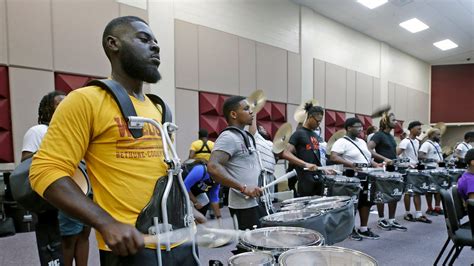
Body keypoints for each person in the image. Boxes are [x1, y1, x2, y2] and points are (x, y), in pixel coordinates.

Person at [30, 16, 197, 265]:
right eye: (144, 39)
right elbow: (44, 170)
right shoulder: (85, 100)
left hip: (183, 240)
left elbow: (162, 175)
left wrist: (186, 209)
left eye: (156, 41)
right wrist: (105, 222)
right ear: (113, 44)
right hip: (132, 247)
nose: (155, 46)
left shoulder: (160, 109)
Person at [22, 91, 90, 266]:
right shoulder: (38, 131)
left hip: (83, 191)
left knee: (83, 235)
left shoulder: (74, 131)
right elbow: (26, 164)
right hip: (61, 193)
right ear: (47, 109)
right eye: (59, 104)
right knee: (66, 241)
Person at [207, 96, 263, 231]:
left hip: (254, 202)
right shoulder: (228, 137)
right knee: (250, 247)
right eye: (246, 109)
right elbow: (213, 167)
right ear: (233, 114)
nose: (251, 112)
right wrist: (243, 188)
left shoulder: (244, 136)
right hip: (243, 206)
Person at [330, 117, 380, 241]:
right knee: (352, 204)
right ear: (348, 128)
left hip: (366, 175)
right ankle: (349, 229)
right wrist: (351, 164)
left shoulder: (362, 142)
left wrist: (375, 165)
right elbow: (334, 157)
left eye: (361, 126)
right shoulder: (342, 142)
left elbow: (367, 159)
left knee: (366, 202)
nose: (360, 129)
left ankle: (363, 228)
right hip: (351, 176)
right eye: (357, 126)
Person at [368, 113, 407, 232]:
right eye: (393, 120)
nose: (396, 122)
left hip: (393, 168)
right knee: (382, 194)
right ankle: (381, 219)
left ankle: (391, 219)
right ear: (385, 121)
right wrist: (384, 159)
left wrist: (398, 160)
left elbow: (393, 153)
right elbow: (368, 149)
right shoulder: (378, 135)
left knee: (393, 194)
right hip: (382, 168)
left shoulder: (391, 136)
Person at [285, 102, 333, 197]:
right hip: (304, 178)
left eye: (320, 122)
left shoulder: (315, 135)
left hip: (317, 177)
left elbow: (315, 157)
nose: (319, 124)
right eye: (317, 121)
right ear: (310, 117)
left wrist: (324, 169)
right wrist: (304, 164)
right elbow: (286, 153)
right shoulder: (298, 134)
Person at [397, 121, 431, 224]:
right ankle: (407, 213)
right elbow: (397, 155)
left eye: (421, 129)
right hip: (408, 170)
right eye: (418, 129)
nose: (420, 131)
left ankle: (418, 214)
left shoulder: (417, 141)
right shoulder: (405, 141)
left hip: (416, 169)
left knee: (417, 191)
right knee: (409, 192)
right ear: (411, 129)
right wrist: (407, 163)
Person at [419, 128, 444, 216]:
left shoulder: (436, 144)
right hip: (430, 169)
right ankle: (429, 208)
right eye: (438, 134)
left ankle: (437, 207)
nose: (439, 136)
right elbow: (421, 156)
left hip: (439, 169)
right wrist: (434, 160)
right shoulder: (426, 144)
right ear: (431, 135)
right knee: (429, 190)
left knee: (438, 190)